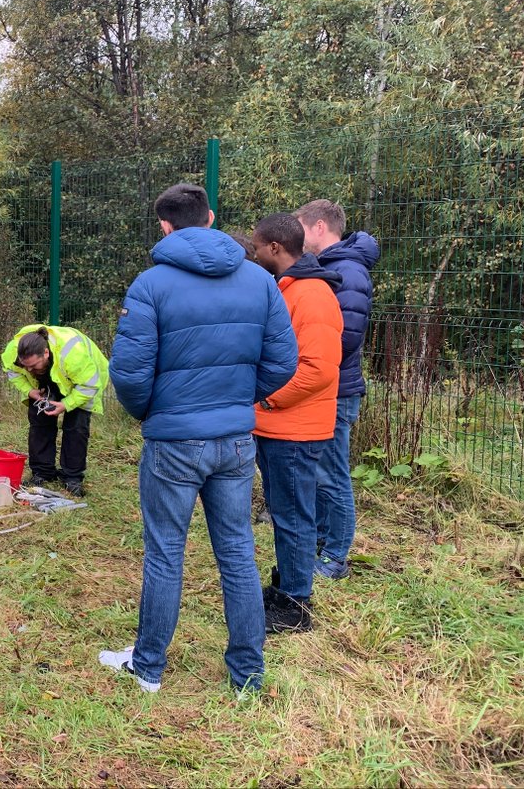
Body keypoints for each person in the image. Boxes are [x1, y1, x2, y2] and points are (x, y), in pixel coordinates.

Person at [102, 183, 297, 696]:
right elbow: (283, 363)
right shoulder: (260, 281)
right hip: (234, 440)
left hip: (173, 442)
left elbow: (129, 374)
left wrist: (155, 412)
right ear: (210, 217)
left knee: (166, 550)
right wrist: (236, 403)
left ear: (164, 226)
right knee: (237, 550)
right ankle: (248, 677)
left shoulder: (150, 285)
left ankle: (148, 669)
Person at [251, 213, 343, 634]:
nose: (253, 253)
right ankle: (288, 585)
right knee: (285, 512)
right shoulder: (289, 290)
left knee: (293, 517)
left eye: (257, 246)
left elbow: (319, 369)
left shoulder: (312, 294)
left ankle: (296, 606)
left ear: (274, 248)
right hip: (279, 427)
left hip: (295, 429)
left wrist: (268, 401)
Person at [296, 200, 380, 579]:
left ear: (318, 227)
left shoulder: (348, 270)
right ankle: (318, 541)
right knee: (317, 471)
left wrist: (304, 356)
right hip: (323, 385)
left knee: (332, 473)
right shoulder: (329, 266)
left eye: (300, 226)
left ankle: (335, 556)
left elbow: (345, 335)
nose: (297, 235)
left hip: (337, 388)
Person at [1, 325, 109, 496]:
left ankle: (72, 477)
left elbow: (89, 385)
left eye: (33, 366)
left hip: (82, 381)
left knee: (76, 427)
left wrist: (66, 404)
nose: (29, 370)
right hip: (52, 375)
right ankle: (43, 473)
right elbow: (12, 372)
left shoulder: (73, 354)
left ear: (45, 353)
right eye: (25, 366)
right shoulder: (13, 351)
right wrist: (29, 390)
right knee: (39, 420)